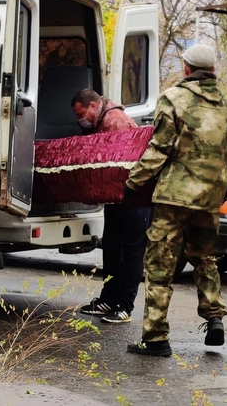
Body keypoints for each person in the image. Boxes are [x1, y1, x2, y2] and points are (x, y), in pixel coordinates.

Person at [124, 44, 227, 357]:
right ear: (213, 70)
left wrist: (133, 183)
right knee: (205, 258)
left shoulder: (173, 98)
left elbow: (160, 148)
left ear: (185, 68)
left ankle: (155, 338)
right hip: (209, 200)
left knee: (160, 265)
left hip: (174, 197)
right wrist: (222, 189)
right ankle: (214, 318)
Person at [72, 89, 153, 324]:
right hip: (118, 197)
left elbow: (123, 163)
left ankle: (124, 306)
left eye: (82, 114)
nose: (81, 120)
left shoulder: (116, 122)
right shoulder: (102, 122)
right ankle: (109, 299)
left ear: (94, 106)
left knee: (131, 254)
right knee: (112, 249)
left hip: (134, 198)